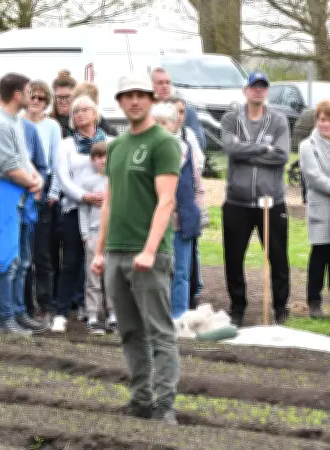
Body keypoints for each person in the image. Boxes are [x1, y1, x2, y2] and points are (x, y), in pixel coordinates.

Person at [90, 72, 181, 425]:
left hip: (150, 255)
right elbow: (110, 202)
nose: (135, 101)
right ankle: (141, 400)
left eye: (141, 95)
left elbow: (166, 201)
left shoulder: (163, 143)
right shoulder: (116, 146)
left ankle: (165, 404)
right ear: (119, 102)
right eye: (127, 96)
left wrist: (149, 250)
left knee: (159, 331)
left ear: (152, 99)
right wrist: (100, 251)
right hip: (115, 252)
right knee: (129, 331)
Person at [0, 74, 45, 335]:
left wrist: (34, 177)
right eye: (28, 91)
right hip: (4, 197)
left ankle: (18, 312)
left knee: (23, 261)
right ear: (16, 94)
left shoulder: (15, 121)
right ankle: (4, 319)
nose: (31, 96)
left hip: (19, 198)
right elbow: (11, 168)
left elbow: (24, 159)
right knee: (6, 261)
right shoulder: (0, 125)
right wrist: (34, 184)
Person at [220, 71, 291, 326]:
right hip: (237, 202)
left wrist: (245, 152)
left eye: (262, 86)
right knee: (234, 257)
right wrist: (263, 148)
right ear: (245, 90)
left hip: (271, 202)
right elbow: (230, 148)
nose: (258, 90)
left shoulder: (279, 120)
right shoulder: (230, 119)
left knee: (278, 257)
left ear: (267, 91)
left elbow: (282, 155)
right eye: (254, 86)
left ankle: (281, 307)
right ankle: (237, 307)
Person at [51, 95, 113, 333]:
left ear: (95, 113)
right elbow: (63, 178)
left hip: (105, 210)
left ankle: (105, 312)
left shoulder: (110, 141)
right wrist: (84, 196)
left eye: (85, 110)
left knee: (106, 264)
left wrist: (106, 197)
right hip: (75, 208)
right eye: (75, 112)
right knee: (72, 261)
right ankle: (61, 311)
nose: (79, 115)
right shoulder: (66, 145)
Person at [152, 102, 201, 319]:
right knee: (155, 272)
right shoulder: (146, 151)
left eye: (165, 122)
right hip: (153, 222)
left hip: (182, 220)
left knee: (181, 272)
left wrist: (197, 211)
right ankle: (156, 316)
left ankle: (178, 316)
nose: (161, 127)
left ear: (173, 125)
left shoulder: (184, 149)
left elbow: (195, 183)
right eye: (156, 123)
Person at [21, 80, 61, 320]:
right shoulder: (18, 123)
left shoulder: (52, 126)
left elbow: (54, 162)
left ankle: (46, 303)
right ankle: (25, 304)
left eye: (41, 98)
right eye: (32, 97)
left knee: (42, 254)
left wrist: (50, 192)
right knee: (22, 254)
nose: (36, 102)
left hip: (42, 195)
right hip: (20, 192)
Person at [298, 101, 330, 319]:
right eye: (323, 119)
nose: (326, 124)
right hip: (321, 208)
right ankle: (314, 302)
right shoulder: (307, 146)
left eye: (329, 120)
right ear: (317, 120)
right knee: (319, 254)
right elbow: (314, 177)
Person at [78, 141, 112, 335]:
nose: (104, 160)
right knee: (93, 277)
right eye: (99, 157)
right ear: (93, 160)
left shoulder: (117, 181)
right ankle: (92, 313)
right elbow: (83, 210)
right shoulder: (88, 183)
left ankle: (113, 313)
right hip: (93, 235)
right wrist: (85, 233)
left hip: (113, 237)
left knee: (112, 278)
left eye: (107, 156)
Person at [151, 67, 206, 149]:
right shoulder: (147, 111)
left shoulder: (187, 111)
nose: (165, 86)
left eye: (168, 82)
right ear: (152, 86)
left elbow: (200, 143)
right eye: (160, 83)